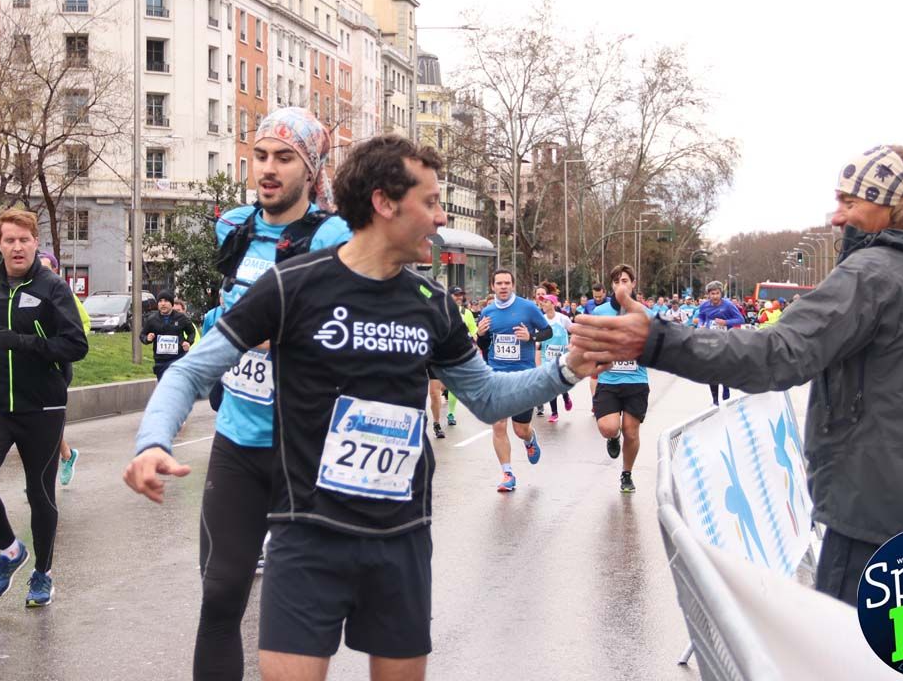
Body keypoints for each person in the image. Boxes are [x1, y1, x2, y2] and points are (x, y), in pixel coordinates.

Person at [125, 133, 596, 681]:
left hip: (399, 541)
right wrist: (152, 439)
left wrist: (568, 369)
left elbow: (488, 397)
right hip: (307, 538)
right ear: (384, 202)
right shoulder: (291, 287)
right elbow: (190, 369)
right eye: (431, 202)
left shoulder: (433, 306)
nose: (441, 217)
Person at [569, 145, 903, 680]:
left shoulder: (875, 275)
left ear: (894, 206)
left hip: (881, 527)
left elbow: (776, 354)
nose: (836, 215)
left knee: (847, 663)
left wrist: (659, 340)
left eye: (849, 201)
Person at [167, 107, 355, 680]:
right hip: (238, 442)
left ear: (311, 166)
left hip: (306, 455)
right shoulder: (235, 228)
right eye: (261, 155)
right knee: (220, 595)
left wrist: (290, 334)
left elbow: (351, 330)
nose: (268, 169)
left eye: (285, 157)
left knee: (299, 616)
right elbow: (223, 311)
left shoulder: (335, 236)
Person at [0, 209, 89, 607]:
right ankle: (11, 551)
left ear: (36, 242)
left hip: (43, 408)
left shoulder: (53, 289)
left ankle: (43, 573)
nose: (17, 246)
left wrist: (28, 343)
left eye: (24, 239)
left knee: (39, 493)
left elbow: (76, 345)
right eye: (9, 240)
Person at [476, 268, 552, 491]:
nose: (503, 286)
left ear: (513, 285)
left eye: (507, 283)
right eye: (499, 283)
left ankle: (529, 439)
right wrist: (480, 335)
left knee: (520, 429)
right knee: (498, 426)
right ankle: (507, 474)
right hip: (497, 376)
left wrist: (532, 337)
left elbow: (547, 332)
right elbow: (484, 346)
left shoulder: (527, 308)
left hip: (522, 377)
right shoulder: (487, 312)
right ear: (492, 286)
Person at [588, 265, 654, 494]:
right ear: (612, 286)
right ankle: (612, 437)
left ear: (633, 284)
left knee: (632, 432)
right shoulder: (600, 312)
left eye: (625, 280)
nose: (620, 285)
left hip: (636, 381)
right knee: (608, 427)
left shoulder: (645, 313)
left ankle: (627, 473)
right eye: (616, 281)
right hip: (609, 381)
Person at [37, 250, 88, 486]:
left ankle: (39, 479)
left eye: (47, 268)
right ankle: (65, 456)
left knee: (44, 421)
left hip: (57, 366)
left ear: (56, 271)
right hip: (29, 365)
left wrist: (62, 346)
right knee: (34, 422)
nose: (41, 272)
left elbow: (83, 325)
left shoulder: (63, 293)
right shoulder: (26, 292)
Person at [696, 280, 745, 406]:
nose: (715, 296)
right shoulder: (704, 305)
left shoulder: (728, 305)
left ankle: (726, 387)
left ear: (721, 293)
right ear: (708, 294)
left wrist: (725, 322)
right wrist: (701, 324)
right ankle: (715, 401)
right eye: (712, 294)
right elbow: (701, 316)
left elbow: (741, 319)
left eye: (717, 293)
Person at [140, 290, 197, 380]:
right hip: (160, 361)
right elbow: (142, 335)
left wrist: (188, 342)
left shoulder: (181, 318)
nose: (163, 304)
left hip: (177, 359)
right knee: (164, 388)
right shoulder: (152, 319)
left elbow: (192, 332)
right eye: (160, 301)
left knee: (176, 385)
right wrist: (147, 338)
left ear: (171, 303)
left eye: (166, 301)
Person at [443, 287, 478, 427]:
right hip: (440, 352)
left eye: (460, 295)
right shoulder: (440, 310)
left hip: (457, 353)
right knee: (437, 386)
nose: (458, 298)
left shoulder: (466, 313)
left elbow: (474, 331)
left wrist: (476, 341)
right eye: (455, 295)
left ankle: (450, 413)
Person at [536, 294, 573, 421]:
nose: (543, 304)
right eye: (542, 302)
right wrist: (537, 343)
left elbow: (573, 330)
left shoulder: (562, 318)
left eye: (546, 302)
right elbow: (538, 336)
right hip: (547, 356)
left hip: (562, 356)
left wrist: (572, 343)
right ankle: (554, 413)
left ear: (553, 304)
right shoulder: (541, 319)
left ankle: (566, 396)